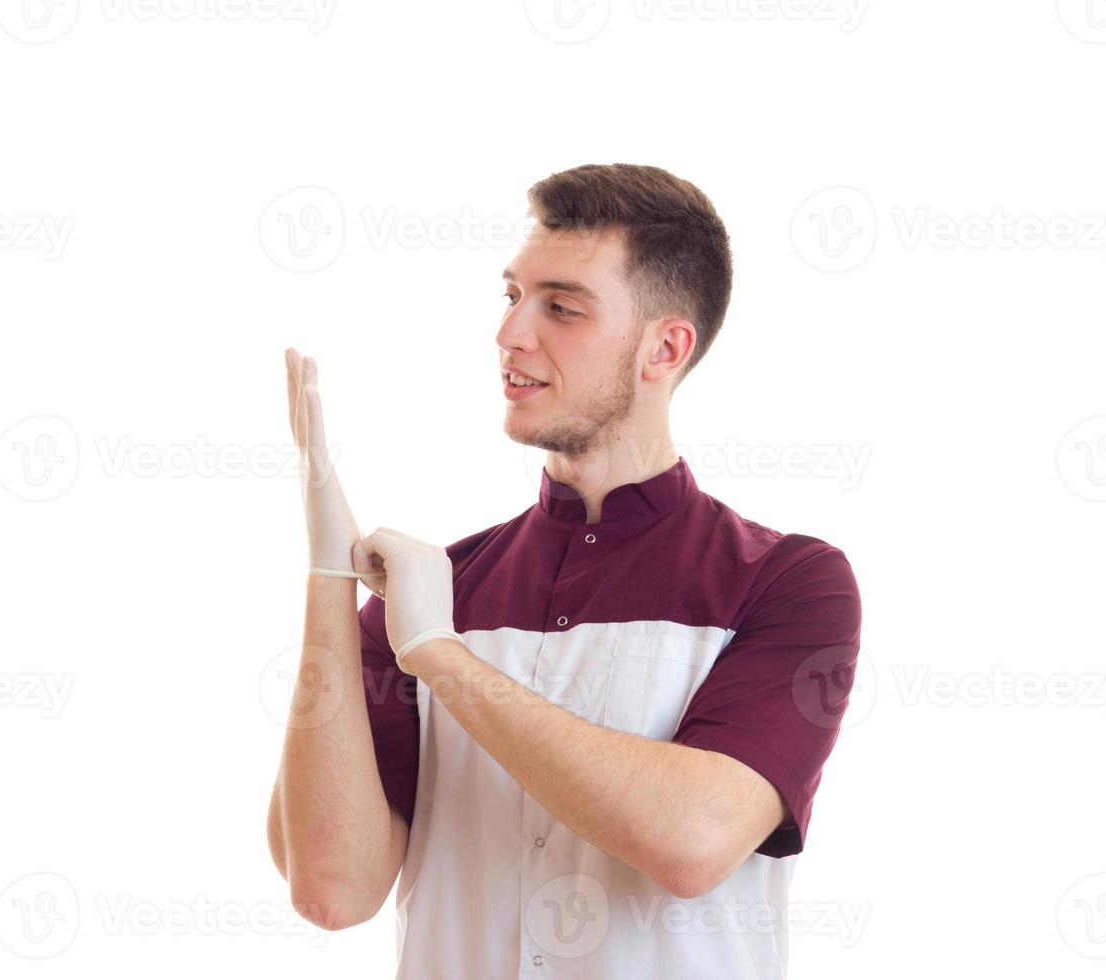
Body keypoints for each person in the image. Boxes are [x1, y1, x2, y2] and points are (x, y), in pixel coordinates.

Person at [267, 162, 863, 979]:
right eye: (511, 296)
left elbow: (692, 841)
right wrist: (328, 581)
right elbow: (333, 889)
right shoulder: (432, 590)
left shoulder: (789, 582)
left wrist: (440, 654)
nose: (511, 334)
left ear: (665, 346)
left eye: (561, 307)